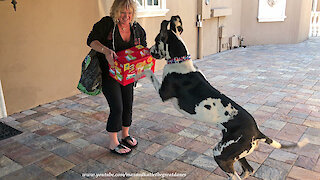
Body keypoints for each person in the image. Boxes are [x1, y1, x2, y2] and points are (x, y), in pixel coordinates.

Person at [87, 0, 147, 155]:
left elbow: (142, 48)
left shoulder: (136, 28)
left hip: (127, 74)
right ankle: (113, 142)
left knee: (128, 104)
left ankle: (125, 135)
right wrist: (106, 51)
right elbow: (91, 41)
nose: (126, 16)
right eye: (122, 12)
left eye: (129, 13)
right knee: (117, 107)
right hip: (109, 73)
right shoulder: (107, 24)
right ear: (115, 11)